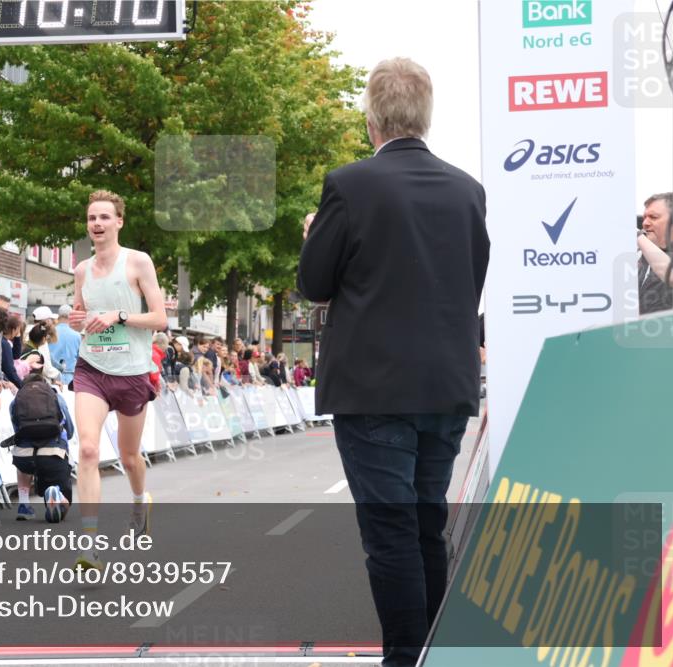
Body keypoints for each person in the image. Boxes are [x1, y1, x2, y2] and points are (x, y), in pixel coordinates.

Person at [298, 58, 489, 667]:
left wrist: (313, 235)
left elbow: (314, 283)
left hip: (374, 387)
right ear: (425, 115)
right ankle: (437, 652)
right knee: (425, 524)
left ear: (372, 116)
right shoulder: (468, 189)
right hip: (446, 385)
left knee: (390, 534)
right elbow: (472, 281)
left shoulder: (349, 185)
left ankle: (405, 657)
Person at [68, 190, 167, 570]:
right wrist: (77, 320)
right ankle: (90, 544)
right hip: (92, 368)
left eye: (105, 217)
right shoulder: (81, 270)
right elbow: (79, 316)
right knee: (89, 450)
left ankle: (140, 500)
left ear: (119, 222)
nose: (97, 224)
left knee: (129, 457)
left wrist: (118, 316)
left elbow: (159, 319)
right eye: (92, 218)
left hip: (132, 371)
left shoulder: (138, 262)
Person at [9, 353, 74, 523]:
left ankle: (24, 504)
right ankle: (57, 494)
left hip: (25, 457)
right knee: (65, 501)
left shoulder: (15, 401)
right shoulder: (55, 396)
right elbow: (69, 427)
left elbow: (17, 430)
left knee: (22, 459)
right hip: (53, 453)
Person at [637, 193, 673, 314]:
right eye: (644, 217)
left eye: (653, 217)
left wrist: (638, 236)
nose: (645, 223)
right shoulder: (641, 258)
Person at [50, 304, 82, 387]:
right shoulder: (77, 335)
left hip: (52, 376)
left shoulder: (50, 334)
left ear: (58, 316)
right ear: (70, 316)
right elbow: (80, 359)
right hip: (71, 378)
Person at [27, 320, 62, 385]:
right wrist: (58, 374)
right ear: (45, 338)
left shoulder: (28, 345)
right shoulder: (42, 346)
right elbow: (46, 368)